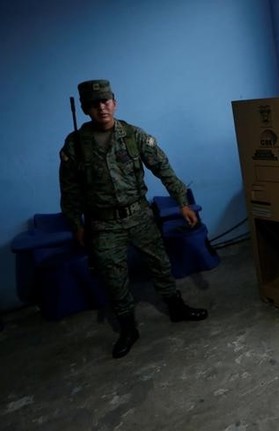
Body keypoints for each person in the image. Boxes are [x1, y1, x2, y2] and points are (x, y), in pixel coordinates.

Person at [59, 79, 209, 359]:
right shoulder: (76, 145)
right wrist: (76, 224)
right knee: (113, 277)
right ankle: (128, 328)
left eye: (106, 101)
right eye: (95, 104)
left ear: (114, 102)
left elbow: (164, 169)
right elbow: (69, 190)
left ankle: (176, 308)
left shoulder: (134, 136)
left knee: (161, 265)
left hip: (139, 215)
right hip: (102, 224)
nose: (102, 108)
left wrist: (182, 203)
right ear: (85, 109)